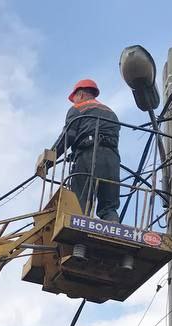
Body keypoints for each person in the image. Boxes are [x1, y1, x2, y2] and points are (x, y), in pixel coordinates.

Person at [51, 78, 121, 221]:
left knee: (80, 203)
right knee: (108, 207)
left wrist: (49, 159)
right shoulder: (111, 113)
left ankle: (79, 242)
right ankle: (113, 234)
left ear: (81, 94)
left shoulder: (77, 109)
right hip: (112, 160)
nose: (74, 101)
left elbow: (68, 137)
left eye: (75, 98)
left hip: (88, 157)